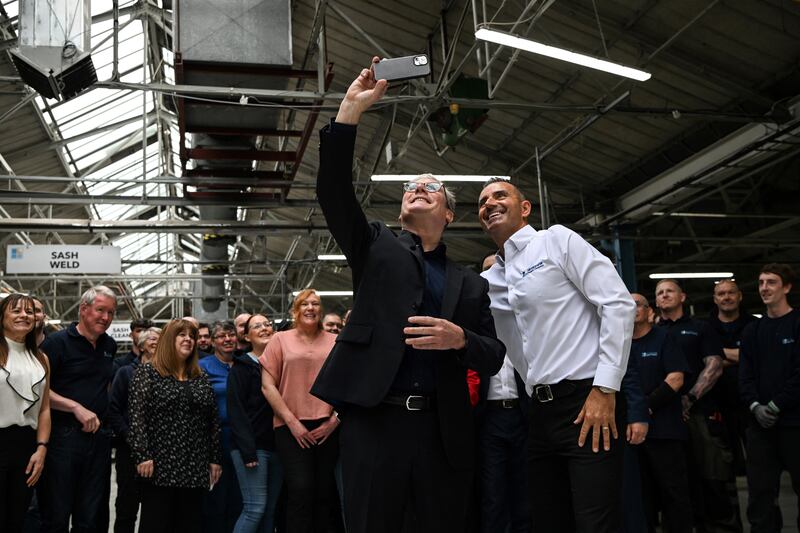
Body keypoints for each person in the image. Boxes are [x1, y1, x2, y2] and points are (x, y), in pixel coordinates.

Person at [310, 59, 505, 533]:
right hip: (376, 422)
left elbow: (495, 355)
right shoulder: (376, 246)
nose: (418, 187)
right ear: (400, 211)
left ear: (449, 214)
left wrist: (459, 338)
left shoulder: (472, 284)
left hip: (443, 431)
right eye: (410, 187)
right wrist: (349, 113)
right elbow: (334, 193)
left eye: (431, 187)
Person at [479, 178, 635, 533]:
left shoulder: (556, 241)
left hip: (589, 401)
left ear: (525, 208)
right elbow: (509, 345)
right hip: (539, 413)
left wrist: (605, 388)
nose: (489, 203)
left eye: (500, 195)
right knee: (549, 520)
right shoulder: (491, 281)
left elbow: (617, 304)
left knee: (595, 522)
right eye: (483, 201)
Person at [654, 279, 739, 531]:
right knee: (674, 484)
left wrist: (690, 398)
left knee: (712, 480)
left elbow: (713, 366)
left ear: (682, 297)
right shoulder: (651, 331)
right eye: (660, 292)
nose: (665, 295)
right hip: (663, 419)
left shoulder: (700, 328)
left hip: (700, 414)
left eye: (670, 290)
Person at [128, 319, 222, 533]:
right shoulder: (148, 373)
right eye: (182, 334)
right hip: (160, 466)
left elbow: (212, 420)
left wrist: (214, 458)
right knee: (156, 523)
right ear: (169, 339)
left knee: (190, 524)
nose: (188, 339)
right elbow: (137, 417)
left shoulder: (200, 377)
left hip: (195, 466)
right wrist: (142, 454)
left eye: (192, 335)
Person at [39, 285, 118, 533]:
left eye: (111, 313)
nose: (105, 318)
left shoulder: (109, 345)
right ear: (84, 309)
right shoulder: (57, 343)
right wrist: (74, 406)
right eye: (100, 310)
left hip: (98, 441)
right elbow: (37, 390)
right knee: (57, 514)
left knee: (90, 517)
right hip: (63, 439)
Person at [261, 290, 340, 533]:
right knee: (300, 489)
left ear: (320, 310)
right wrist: (291, 422)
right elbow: (267, 385)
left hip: (328, 426)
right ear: (295, 310)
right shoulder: (280, 340)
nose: (310, 308)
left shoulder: (335, 341)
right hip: (290, 427)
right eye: (304, 304)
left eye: (315, 304)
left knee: (325, 492)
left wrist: (334, 421)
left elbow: (347, 383)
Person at [739, 263, 800, 532]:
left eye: (771, 282)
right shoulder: (752, 330)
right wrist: (755, 406)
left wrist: (775, 405)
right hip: (760, 427)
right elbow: (745, 375)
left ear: (786, 287)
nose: (764, 288)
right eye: (761, 282)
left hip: (795, 424)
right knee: (760, 495)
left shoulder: (798, 323)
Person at [475, 253, 530, 533]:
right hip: (489, 417)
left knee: (525, 490)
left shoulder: (525, 322)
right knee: (493, 493)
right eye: (487, 273)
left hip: (523, 414)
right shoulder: (475, 328)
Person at [629, 293, 693, 532]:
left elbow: (676, 379)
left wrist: (643, 408)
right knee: (640, 496)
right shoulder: (618, 342)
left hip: (665, 432)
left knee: (673, 493)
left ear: (649, 311)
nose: (631, 309)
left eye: (637, 304)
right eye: (626, 305)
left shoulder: (664, 338)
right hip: (632, 437)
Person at [0, 294, 51, 531]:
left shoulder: (41, 359)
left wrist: (41, 449)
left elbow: (44, 408)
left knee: (17, 520)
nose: (24, 315)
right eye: (16, 310)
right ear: (2, 317)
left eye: (29, 312)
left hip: (26, 447)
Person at [228, 314, 282, 533]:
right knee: (255, 508)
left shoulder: (281, 363)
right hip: (252, 449)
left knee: (270, 510)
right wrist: (248, 451)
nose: (264, 328)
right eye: (257, 326)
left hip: (278, 446)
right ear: (247, 336)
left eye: (268, 324)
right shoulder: (240, 368)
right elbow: (236, 411)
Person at [108, 326, 161, 533]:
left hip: (159, 452)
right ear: (141, 344)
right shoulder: (126, 373)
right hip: (128, 451)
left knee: (154, 509)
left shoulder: (170, 374)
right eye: (152, 339)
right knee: (126, 507)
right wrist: (133, 439)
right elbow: (114, 410)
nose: (156, 342)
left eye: (160, 339)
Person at [709, 279, 756, 474]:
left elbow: (758, 357)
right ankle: (732, 505)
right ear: (715, 299)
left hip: (752, 404)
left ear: (740, 296)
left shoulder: (755, 325)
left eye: (731, 293)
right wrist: (743, 355)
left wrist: (719, 354)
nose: (726, 297)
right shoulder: (706, 328)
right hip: (719, 405)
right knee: (725, 463)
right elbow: (706, 361)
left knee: (759, 461)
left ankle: (767, 505)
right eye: (721, 294)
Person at [200, 321, 243, 532]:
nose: (227, 339)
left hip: (242, 438)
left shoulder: (244, 364)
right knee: (215, 496)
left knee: (239, 497)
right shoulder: (203, 367)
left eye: (231, 335)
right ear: (213, 341)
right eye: (221, 336)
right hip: (216, 438)